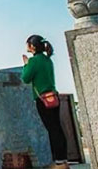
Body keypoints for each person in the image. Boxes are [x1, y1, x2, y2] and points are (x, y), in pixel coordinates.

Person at [21, 35, 68, 167]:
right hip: (54, 97)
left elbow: (25, 78)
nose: (27, 47)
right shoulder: (48, 60)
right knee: (57, 128)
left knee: (52, 130)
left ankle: (58, 161)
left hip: (43, 100)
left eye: (28, 44)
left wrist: (25, 65)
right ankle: (63, 159)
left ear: (33, 46)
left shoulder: (34, 61)